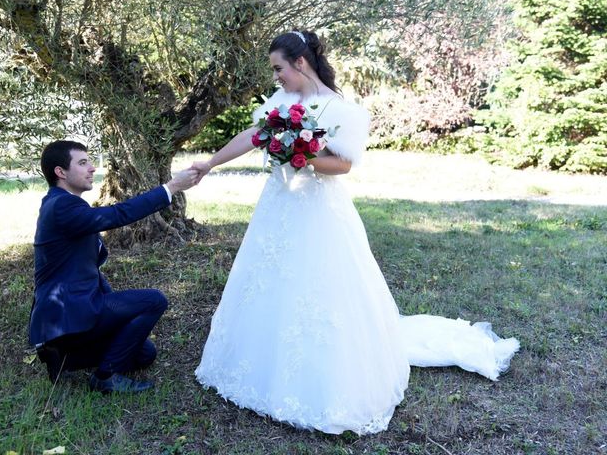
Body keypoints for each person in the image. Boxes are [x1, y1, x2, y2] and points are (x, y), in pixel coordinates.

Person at [192, 30, 519, 434]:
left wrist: (302, 155)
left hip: (318, 210)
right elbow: (252, 135)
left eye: (279, 68)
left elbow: (343, 166)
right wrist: (209, 163)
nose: (276, 77)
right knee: (268, 280)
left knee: (322, 286)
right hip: (278, 207)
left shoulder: (341, 111)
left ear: (300, 63)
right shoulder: (282, 103)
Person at [30, 140, 198, 393]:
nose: (91, 169)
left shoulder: (62, 203)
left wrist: (114, 306)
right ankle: (106, 376)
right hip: (66, 313)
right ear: (60, 172)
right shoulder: (62, 206)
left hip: (77, 307)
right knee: (154, 300)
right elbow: (119, 215)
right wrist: (171, 187)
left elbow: (87, 268)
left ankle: (64, 357)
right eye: (83, 163)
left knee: (145, 354)